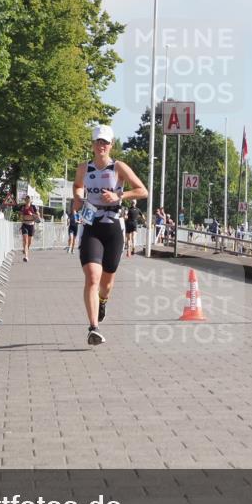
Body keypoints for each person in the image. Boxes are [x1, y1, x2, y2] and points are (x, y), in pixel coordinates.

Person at [73, 124, 147, 345]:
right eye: (98, 142)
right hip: (91, 224)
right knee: (92, 277)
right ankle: (93, 328)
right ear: (93, 144)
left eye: (105, 142)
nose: (101, 146)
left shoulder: (118, 167)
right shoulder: (83, 168)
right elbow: (77, 186)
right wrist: (78, 197)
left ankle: (103, 300)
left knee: (107, 281)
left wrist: (119, 196)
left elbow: (143, 190)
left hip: (113, 227)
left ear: (111, 144)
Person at [19, 195, 39, 262]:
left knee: (29, 242)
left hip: (31, 225)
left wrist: (32, 214)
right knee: (25, 241)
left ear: (30, 200)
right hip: (25, 225)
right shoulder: (23, 207)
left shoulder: (33, 207)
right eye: (26, 199)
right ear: (25, 200)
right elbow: (21, 217)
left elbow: (38, 216)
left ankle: (26, 249)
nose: (27, 200)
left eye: (28, 199)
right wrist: (21, 222)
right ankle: (26, 257)